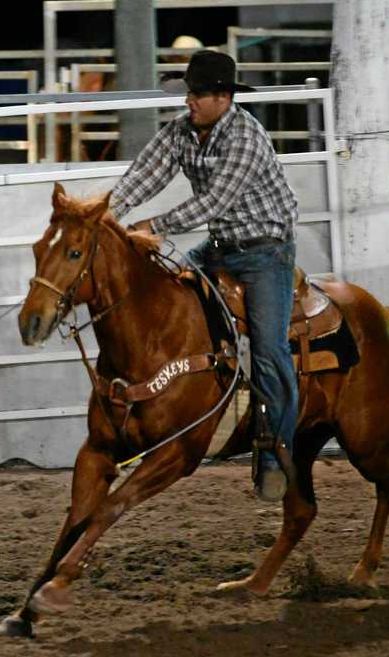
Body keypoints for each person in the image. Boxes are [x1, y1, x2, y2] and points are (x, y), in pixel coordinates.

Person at [109, 50, 299, 503]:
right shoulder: (181, 132)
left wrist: (152, 225)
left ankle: (276, 451)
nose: (188, 102)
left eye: (196, 94)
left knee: (270, 350)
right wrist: (103, 214)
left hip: (264, 251)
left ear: (222, 97)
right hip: (219, 248)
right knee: (156, 295)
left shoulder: (247, 137)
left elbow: (214, 202)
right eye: (188, 93)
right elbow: (144, 176)